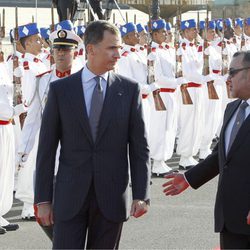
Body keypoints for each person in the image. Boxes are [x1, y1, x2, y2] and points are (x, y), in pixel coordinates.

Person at [34, 20, 150, 249]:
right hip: (70, 196)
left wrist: (141, 194)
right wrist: (43, 199)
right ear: (90, 49)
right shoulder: (61, 91)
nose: (118, 54)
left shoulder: (129, 90)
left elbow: (139, 148)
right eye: (112, 48)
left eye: (118, 48)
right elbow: (46, 149)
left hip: (111, 198)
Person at [163, 50, 250, 249]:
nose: (227, 79)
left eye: (233, 72)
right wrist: (188, 178)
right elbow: (221, 156)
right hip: (230, 220)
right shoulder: (233, 109)